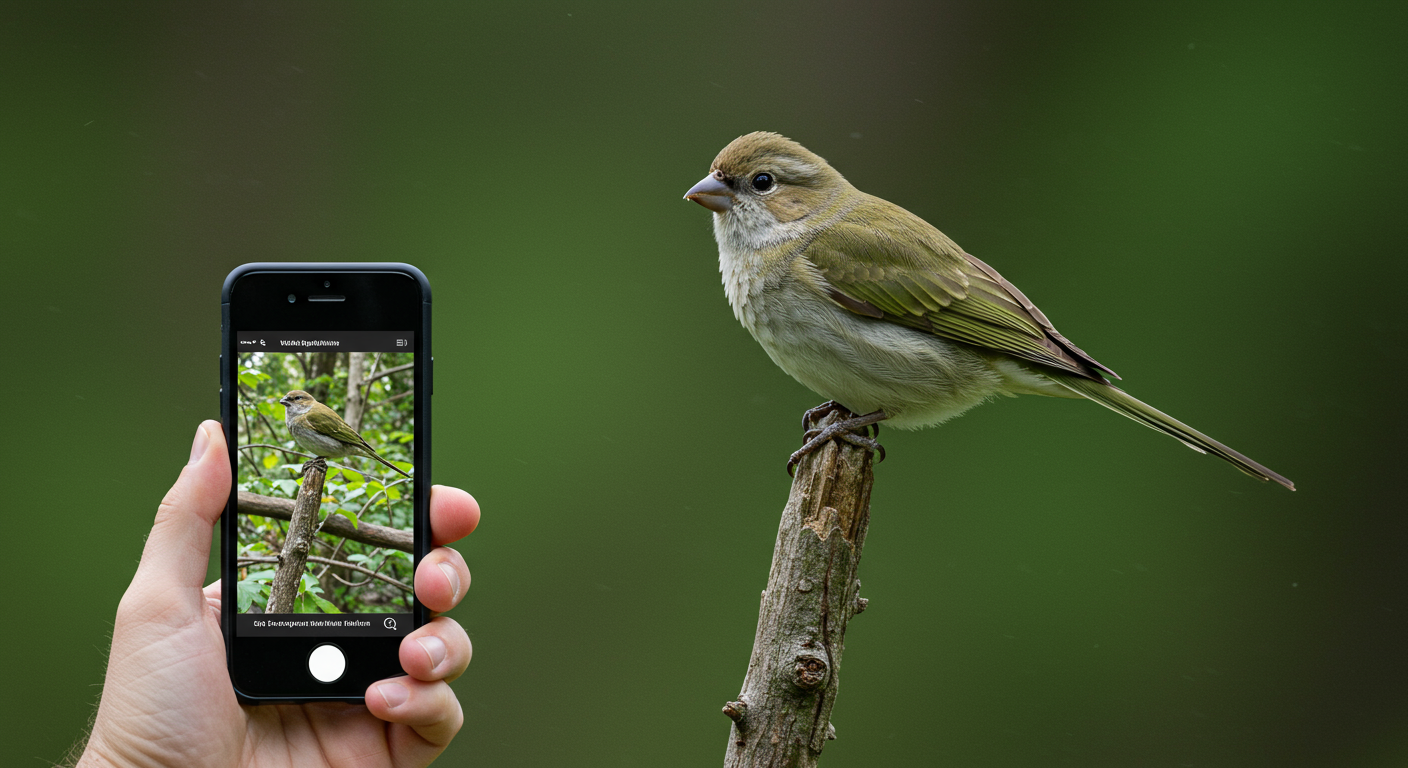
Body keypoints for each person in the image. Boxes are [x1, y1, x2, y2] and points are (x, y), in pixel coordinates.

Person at [76, 421, 480, 768]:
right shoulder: (300, 419)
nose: (289, 404)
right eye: (288, 400)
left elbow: (339, 438)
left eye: (294, 399)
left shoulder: (317, 417)